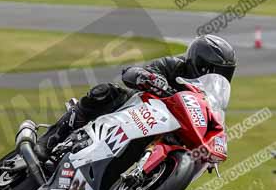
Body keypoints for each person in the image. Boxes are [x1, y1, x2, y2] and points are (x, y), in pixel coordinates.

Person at [35, 34, 237, 160]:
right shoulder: (174, 66)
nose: (219, 78)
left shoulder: (210, 99)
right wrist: (155, 81)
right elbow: (133, 73)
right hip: (136, 111)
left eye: (225, 74)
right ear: (201, 64)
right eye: (215, 71)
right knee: (104, 92)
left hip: (171, 128)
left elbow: (215, 127)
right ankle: (50, 139)